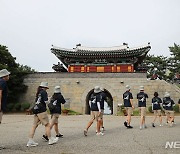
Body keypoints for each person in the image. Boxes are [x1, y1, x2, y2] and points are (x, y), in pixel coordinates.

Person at [27, 82, 58, 147]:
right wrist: (49, 100)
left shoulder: (38, 92)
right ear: (45, 87)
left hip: (36, 110)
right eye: (46, 88)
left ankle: (30, 141)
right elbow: (46, 101)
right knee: (47, 125)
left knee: (34, 125)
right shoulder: (44, 92)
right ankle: (50, 139)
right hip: (41, 110)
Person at [0, 69, 10, 150]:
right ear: (4, 76)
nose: (9, 76)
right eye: (8, 75)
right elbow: (0, 92)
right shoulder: (3, 82)